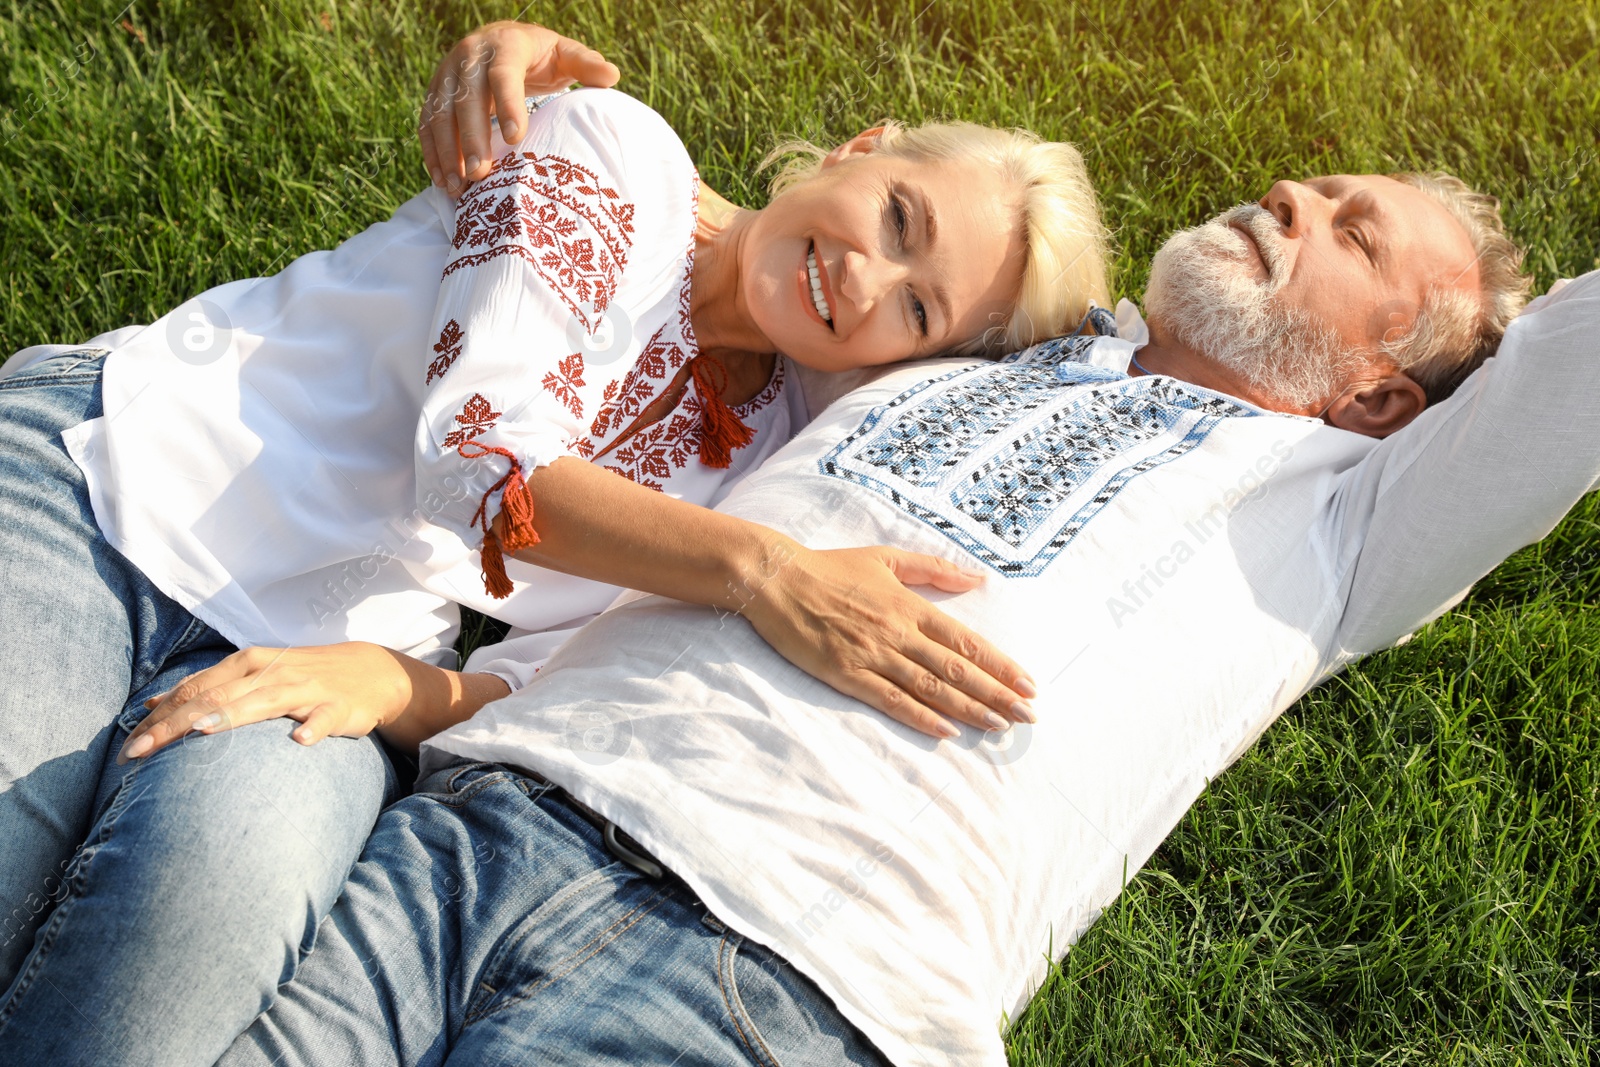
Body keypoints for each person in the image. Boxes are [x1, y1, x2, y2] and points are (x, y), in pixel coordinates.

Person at [197, 107, 1593, 1065]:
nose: (1296, 196)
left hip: (781, 976)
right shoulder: (976, 349)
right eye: (1323, 183)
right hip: (491, 820)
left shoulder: (1349, 520)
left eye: (1350, 234)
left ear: (1378, 393)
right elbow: (750, 272)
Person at [0, 37, 1113, 1067]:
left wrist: (401, 681)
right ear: (857, 152)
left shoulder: (770, 460)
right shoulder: (620, 153)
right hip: (122, 465)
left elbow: (567, 685)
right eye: (898, 217)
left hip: (330, 653)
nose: (863, 278)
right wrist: (761, 569)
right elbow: (476, 451)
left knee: (189, 949)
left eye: (915, 308)